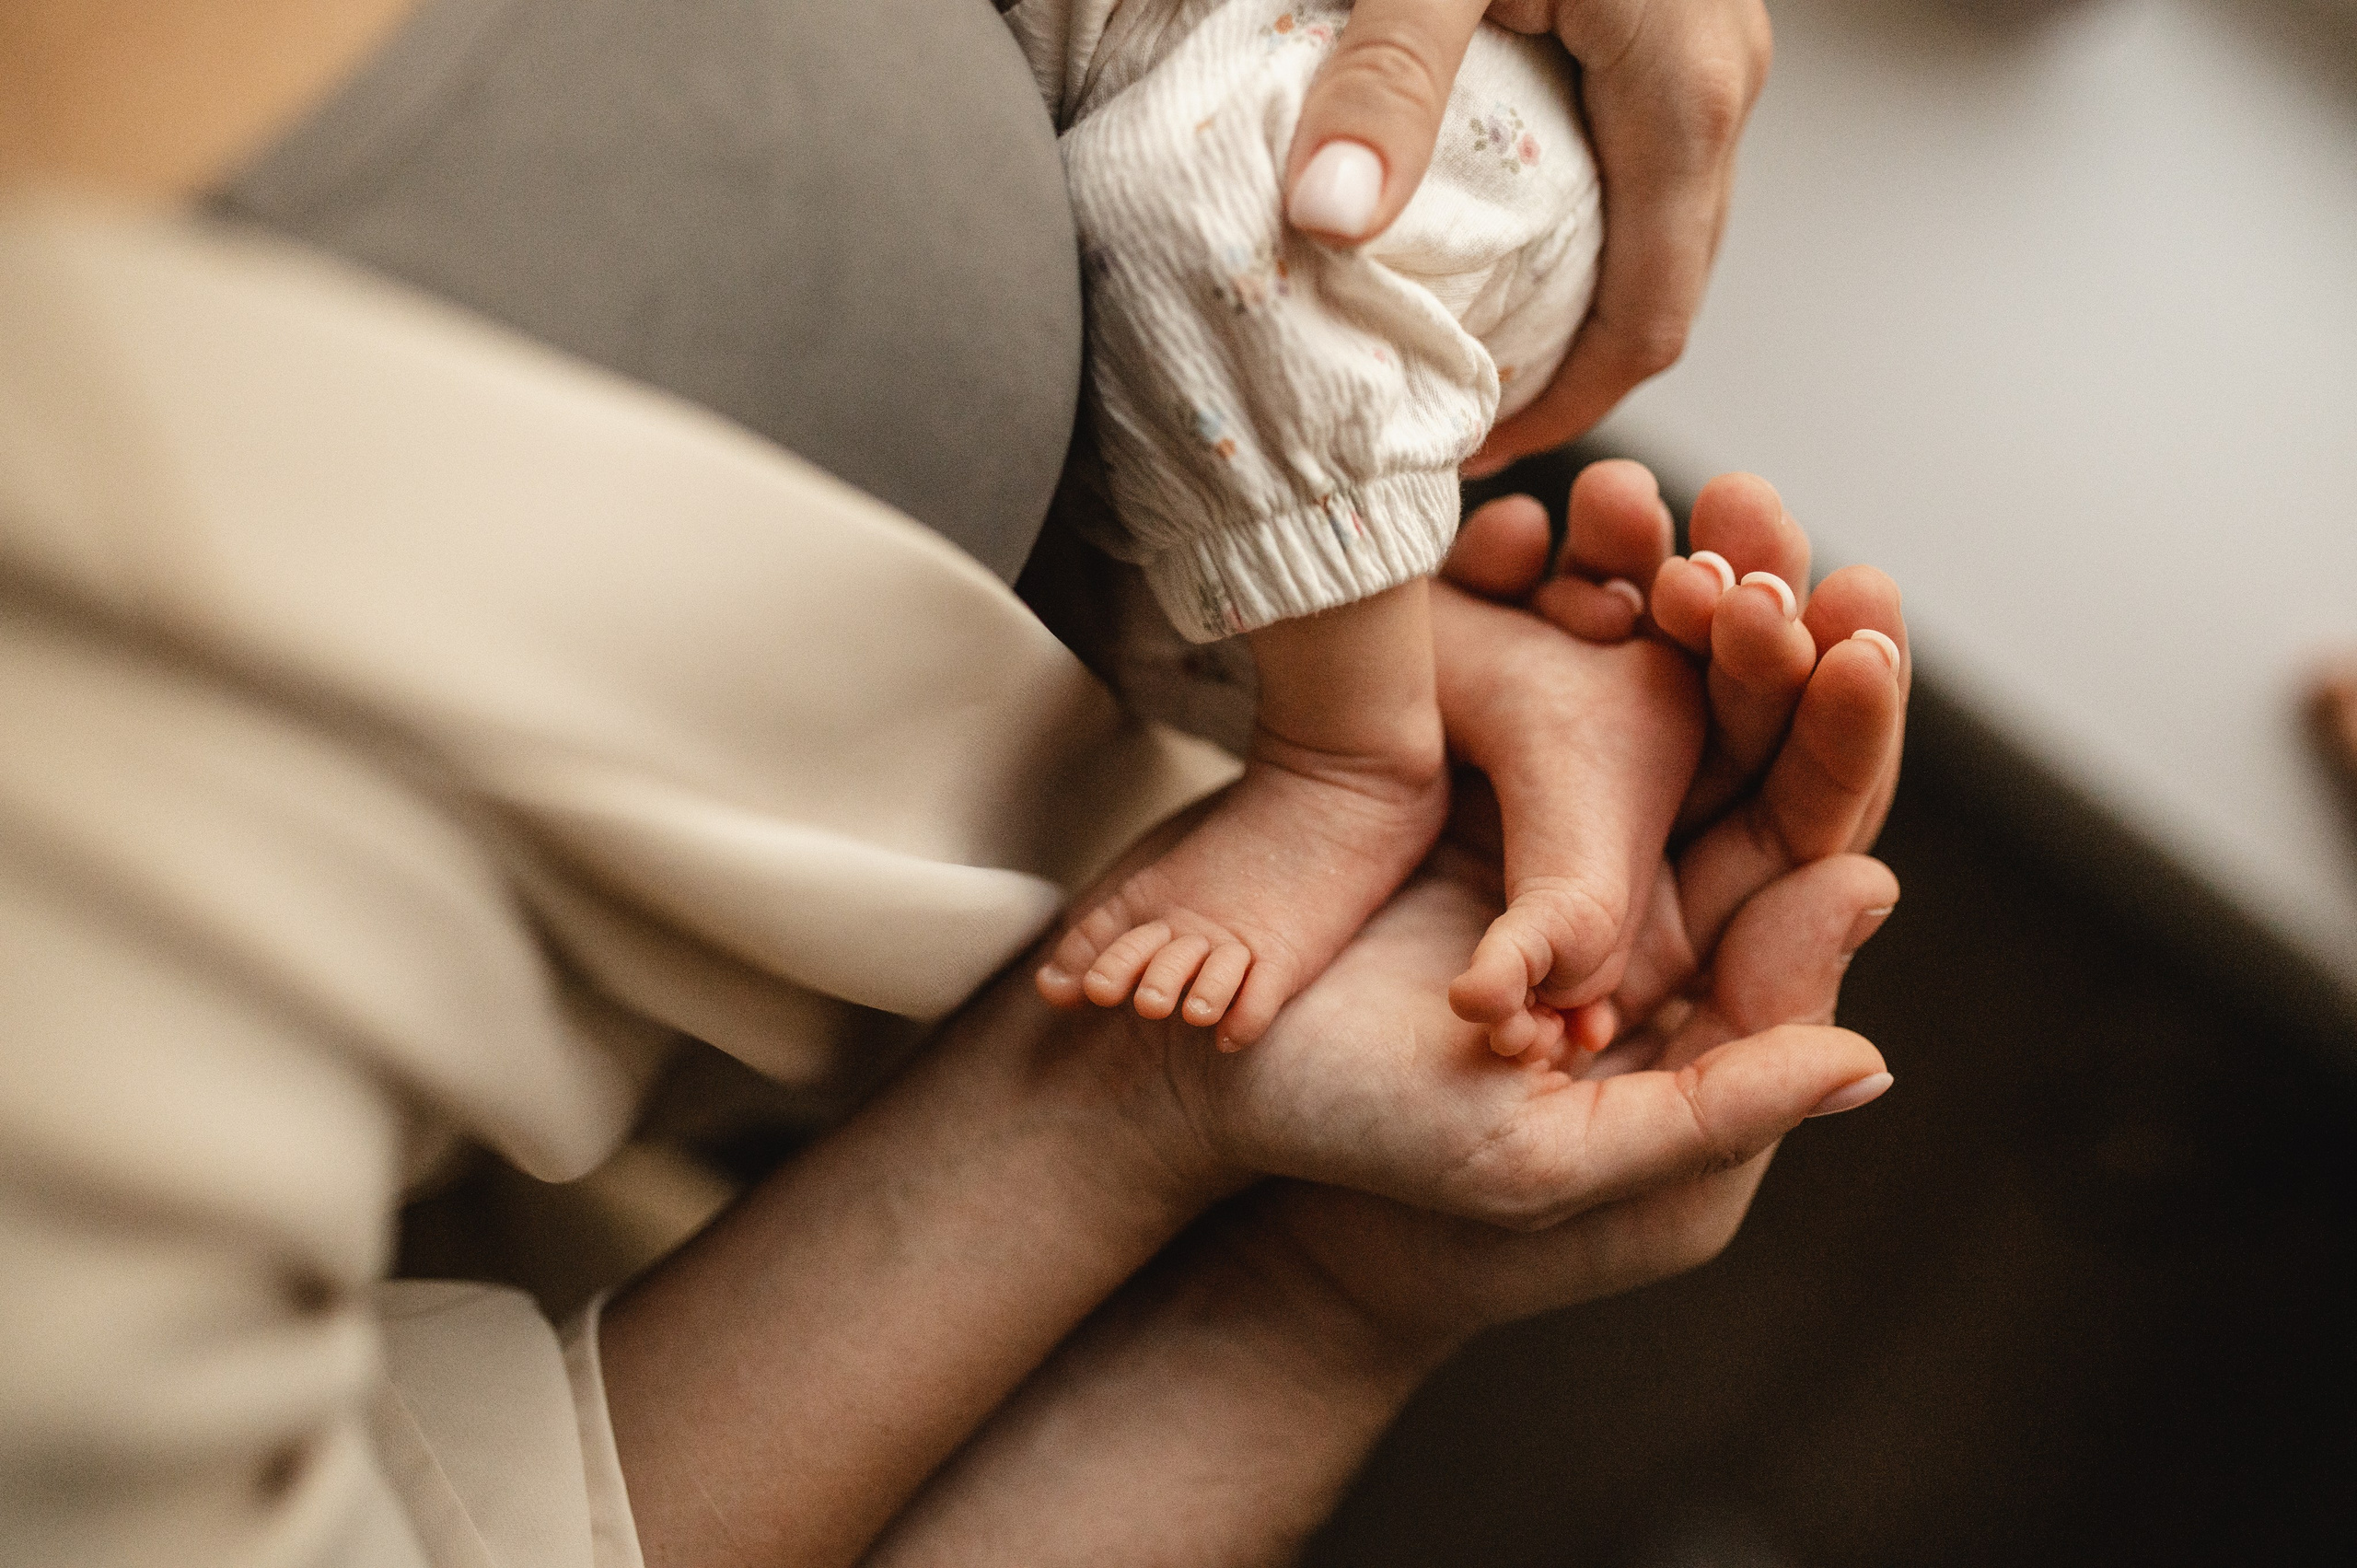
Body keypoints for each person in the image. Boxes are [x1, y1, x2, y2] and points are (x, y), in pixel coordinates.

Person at [0, 4, 1895, 1567]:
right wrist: (1285, 1280)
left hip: (1258, 243)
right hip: (1258, 273)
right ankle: (1354, 718)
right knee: (1250, 219)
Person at [1014, 1, 1626, 1056]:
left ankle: (1350, 757)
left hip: (1386, 88)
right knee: (1109, 474)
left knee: (1191, 205)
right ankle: (1487, 680)